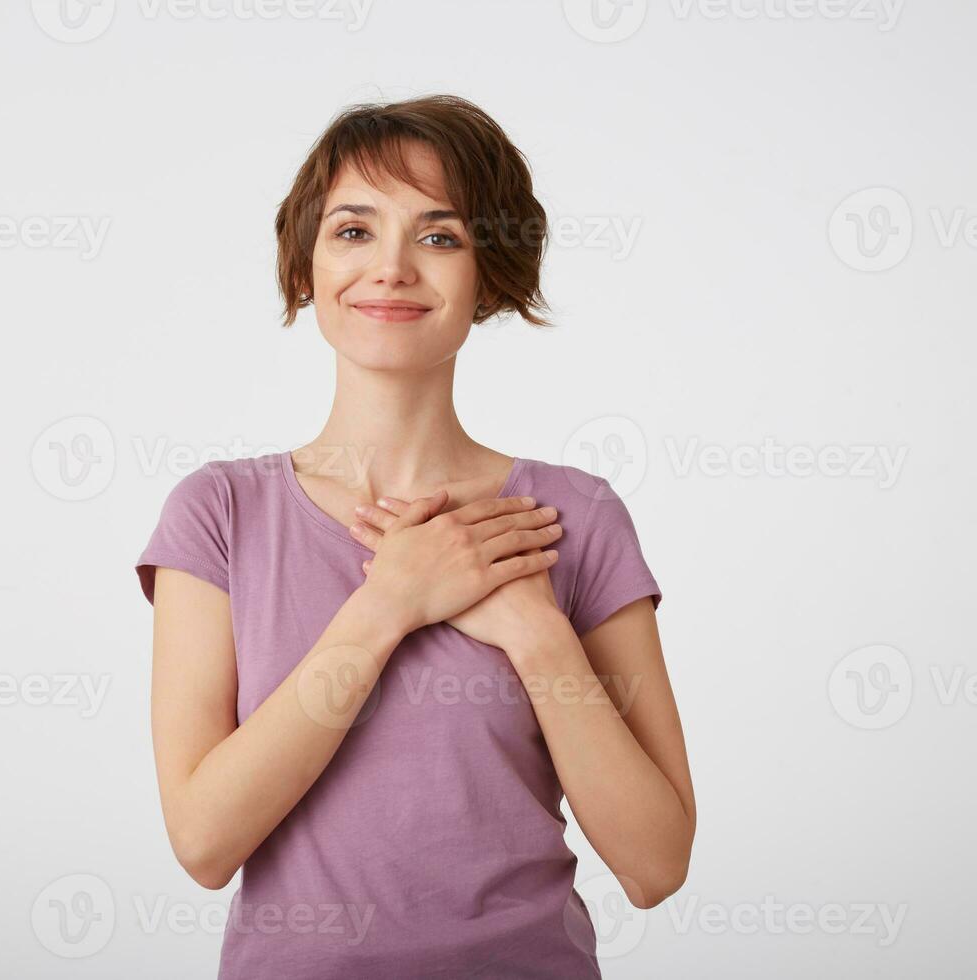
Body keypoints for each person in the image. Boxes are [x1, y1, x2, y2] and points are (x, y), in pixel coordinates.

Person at [135, 93, 695, 979]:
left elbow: (657, 865)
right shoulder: (218, 514)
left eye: (440, 237)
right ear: (305, 268)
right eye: (353, 231)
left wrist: (537, 632)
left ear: (490, 278)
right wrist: (389, 602)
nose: (391, 268)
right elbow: (204, 842)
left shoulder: (572, 519)